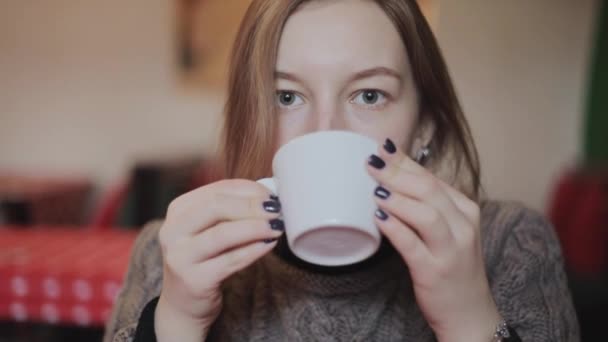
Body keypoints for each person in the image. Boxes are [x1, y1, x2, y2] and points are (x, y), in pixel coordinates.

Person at [104, 0, 580, 341]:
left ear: (423, 129)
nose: (322, 130)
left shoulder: (509, 244)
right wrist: (176, 324)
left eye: (369, 95)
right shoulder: (169, 256)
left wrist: (469, 321)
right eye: (286, 97)